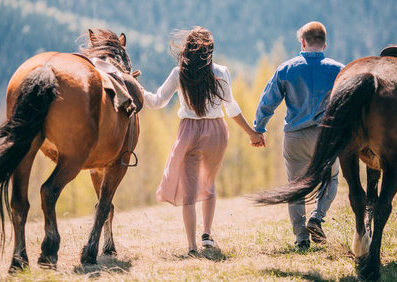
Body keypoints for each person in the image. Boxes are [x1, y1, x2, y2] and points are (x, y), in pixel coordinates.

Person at [143, 26, 265, 257]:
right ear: (210, 51)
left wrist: (136, 88)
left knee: (189, 191)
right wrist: (252, 133)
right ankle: (207, 236)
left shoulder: (179, 73)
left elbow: (157, 102)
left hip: (189, 131)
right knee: (208, 184)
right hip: (217, 132)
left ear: (187, 49)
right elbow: (232, 108)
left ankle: (191, 247)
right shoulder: (221, 72)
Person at [253, 21, 344, 250]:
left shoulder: (286, 69)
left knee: (296, 186)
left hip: (294, 136)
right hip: (325, 136)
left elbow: (268, 101)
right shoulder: (339, 70)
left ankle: (301, 238)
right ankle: (317, 217)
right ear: (325, 44)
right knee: (331, 179)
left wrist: (259, 128)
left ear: (302, 43)